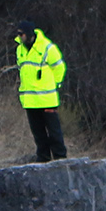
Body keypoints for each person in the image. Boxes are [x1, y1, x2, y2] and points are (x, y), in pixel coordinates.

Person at [14, 19, 67, 162]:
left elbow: (59, 68)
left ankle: (60, 159)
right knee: (38, 134)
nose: (19, 37)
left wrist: (56, 85)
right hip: (30, 100)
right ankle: (43, 159)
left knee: (54, 132)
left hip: (47, 99)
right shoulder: (20, 49)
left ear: (29, 34)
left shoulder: (48, 48)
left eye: (21, 34)